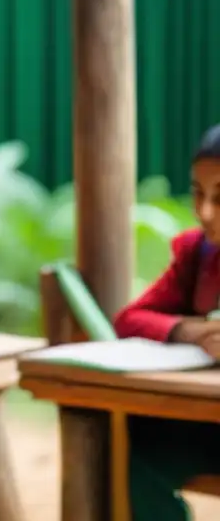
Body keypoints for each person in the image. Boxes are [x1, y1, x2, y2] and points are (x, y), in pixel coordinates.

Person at [114, 123, 220, 521]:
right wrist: (190, 331)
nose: (204, 212)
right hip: (209, 422)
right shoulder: (198, 254)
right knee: (133, 443)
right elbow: (130, 319)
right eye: (197, 193)